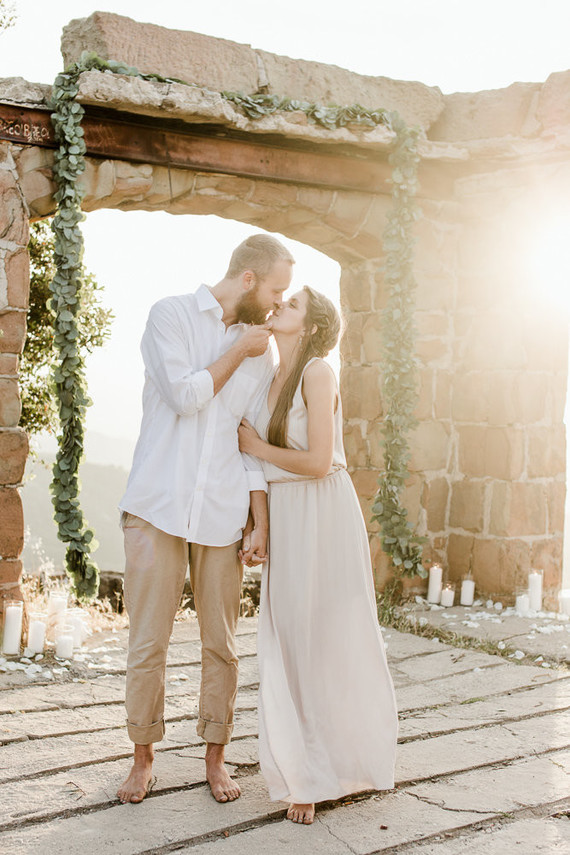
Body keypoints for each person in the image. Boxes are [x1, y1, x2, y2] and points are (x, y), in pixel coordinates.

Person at [116, 234, 294, 805]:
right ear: (248, 279)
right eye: (274, 290)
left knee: (222, 644)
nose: (275, 304)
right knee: (149, 642)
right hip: (156, 507)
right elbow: (186, 395)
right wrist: (237, 351)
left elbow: (247, 440)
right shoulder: (168, 317)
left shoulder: (262, 351)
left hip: (221, 511)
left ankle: (215, 758)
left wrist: (258, 519)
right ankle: (143, 757)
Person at [238, 287, 398, 825]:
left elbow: (316, 461)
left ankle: (324, 771)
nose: (279, 306)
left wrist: (257, 447)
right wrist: (258, 526)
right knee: (288, 639)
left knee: (325, 639)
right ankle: (302, 766)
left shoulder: (317, 372)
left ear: (309, 326)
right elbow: (255, 471)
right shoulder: (266, 376)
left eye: (293, 305)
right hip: (285, 515)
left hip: (323, 511)